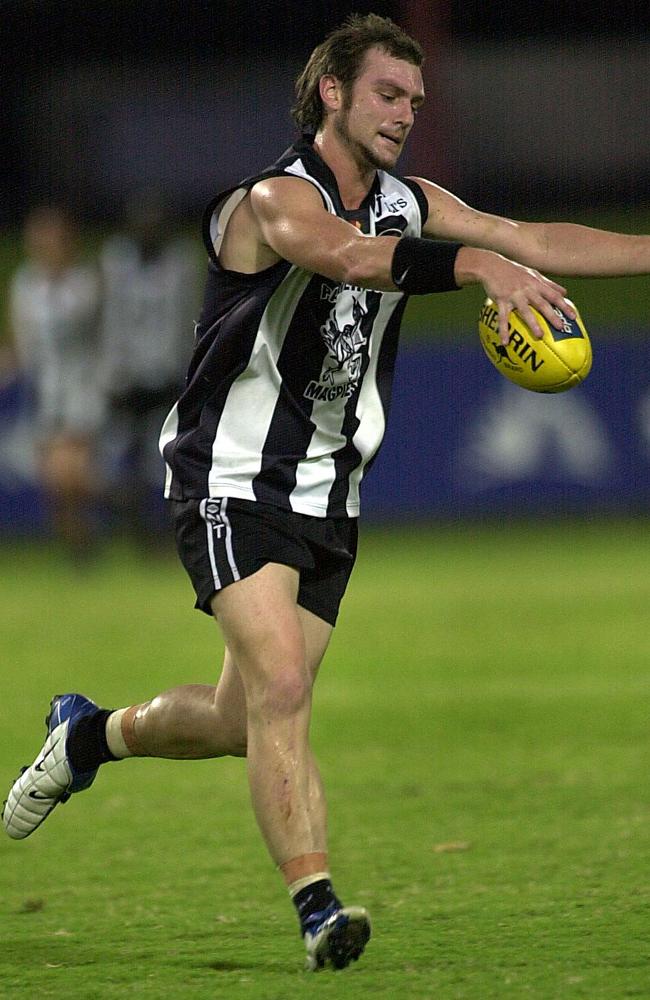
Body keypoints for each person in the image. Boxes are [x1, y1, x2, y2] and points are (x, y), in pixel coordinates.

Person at [5, 13, 650, 971]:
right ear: (332, 93)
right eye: (387, 94)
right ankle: (318, 906)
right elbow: (347, 257)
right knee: (283, 685)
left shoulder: (411, 200)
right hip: (227, 477)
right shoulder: (269, 201)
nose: (404, 114)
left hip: (328, 495)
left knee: (239, 720)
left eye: (415, 101)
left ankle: (91, 736)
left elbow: (533, 235)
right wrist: (476, 263)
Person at [98, 191, 198, 547]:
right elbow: (111, 318)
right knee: (118, 460)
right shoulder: (117, 260)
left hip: (168, 375)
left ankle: (168, 534)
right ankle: (135, 529)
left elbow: (186, 319)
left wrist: (187, 373)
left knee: (169, 461)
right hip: (126, 377)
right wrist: (111, 373)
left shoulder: (180, 261)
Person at [6, 205, 103, 560]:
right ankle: (79, 544)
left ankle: (110, 514)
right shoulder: (24, 283)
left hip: (80, 389)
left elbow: (89, 332)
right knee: (53, 483)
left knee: (70, 474)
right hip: (43, 391)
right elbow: (24, 338)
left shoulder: (83, 283)